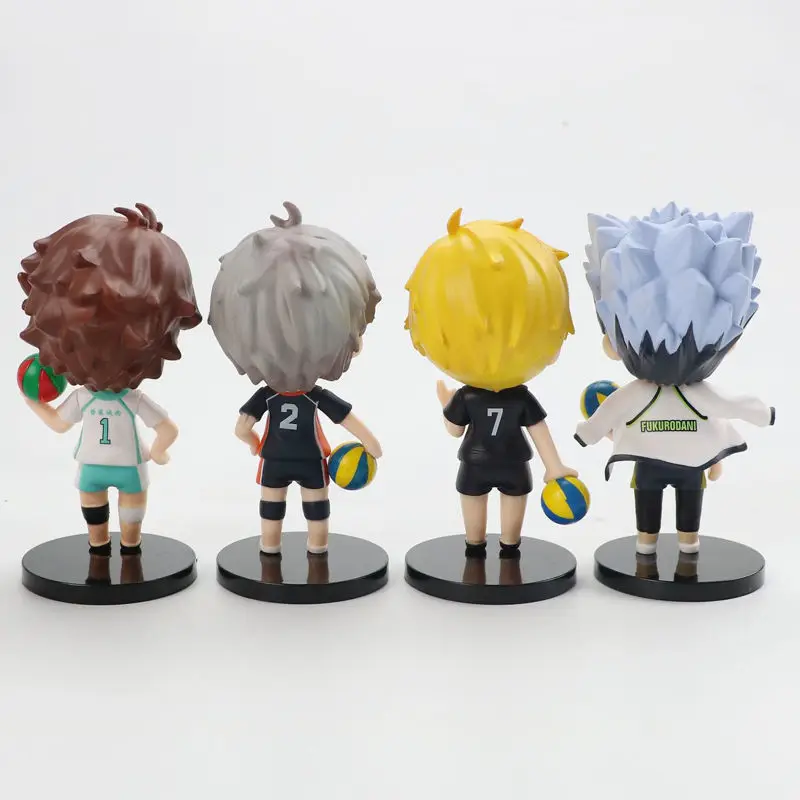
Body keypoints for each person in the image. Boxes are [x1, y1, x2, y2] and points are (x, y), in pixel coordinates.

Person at [575, 202, 775, 556]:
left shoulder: (673, 393)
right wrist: (593, 432)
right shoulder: (647, 394)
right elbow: (733, 407)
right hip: (652, 465)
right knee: (648, 507)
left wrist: (715, 457)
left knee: (688, 510)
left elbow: (730, 408)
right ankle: (647, 543)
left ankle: (686, 543)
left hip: (688, 466)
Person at [19, 203, 202, 551]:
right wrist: (158, 452)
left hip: (92, 466)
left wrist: (33, 403)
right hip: (130, 466)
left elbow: (58, 423)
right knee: (129, 514)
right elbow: (168, 429)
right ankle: (126, 547)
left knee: (96, 513)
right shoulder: (133, 400)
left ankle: (103, 545)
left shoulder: (85, 399)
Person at [208, 201, 382, 555]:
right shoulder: (315, 397)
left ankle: (269, 547)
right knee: (316, 509)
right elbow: (348, 420)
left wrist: (255, 443)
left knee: (271, 507)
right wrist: (372, 446)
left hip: (273, 457)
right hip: (311, 459)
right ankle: (317, 548)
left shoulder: (268, 398)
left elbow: (242, 428)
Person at [405, 208, 578, 556]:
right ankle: (508, 548)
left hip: (475, 462)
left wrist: (446, 404)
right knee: (512, 502)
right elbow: (539, 432)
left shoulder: (467, 397)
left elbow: (454, 431)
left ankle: (476, 546)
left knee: (474, 501)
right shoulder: (520, 398)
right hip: (514, 463)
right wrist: (554, 466)